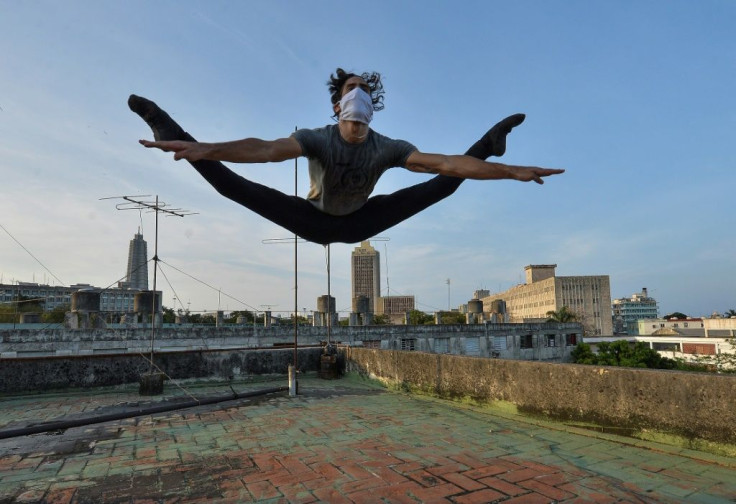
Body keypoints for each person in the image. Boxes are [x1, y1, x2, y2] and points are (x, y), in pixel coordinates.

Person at [129, 68, 563, 245]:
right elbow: (263, 150)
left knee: (440, 188)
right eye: (349, 91)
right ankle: (169, 129)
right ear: (337, 105)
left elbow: (448, 164)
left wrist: (509, 171)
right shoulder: (315, 137)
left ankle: (491, 141)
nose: (358, 95)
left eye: (365, 91)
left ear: (373, 105)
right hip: (311, 219)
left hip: (361, 221)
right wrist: (203, 148)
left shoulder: (388, 147)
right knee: (233, 187)